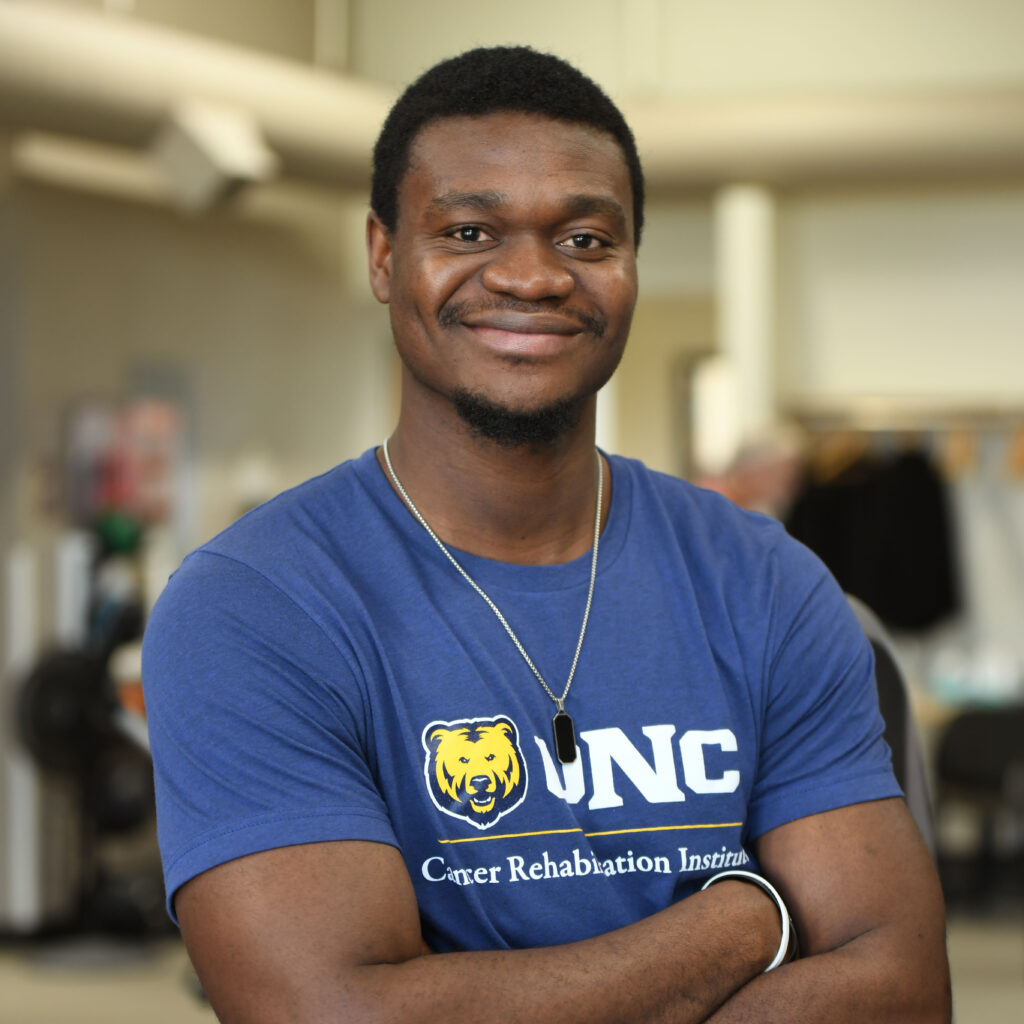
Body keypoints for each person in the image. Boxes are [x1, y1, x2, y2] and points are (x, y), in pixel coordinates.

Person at [142, 46, 951, 1023]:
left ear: (630, 267)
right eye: (470, 228)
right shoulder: (256, 603)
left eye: (584, 239)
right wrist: (745, 919)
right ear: (384, 254)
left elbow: (899, 986)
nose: (530, 276)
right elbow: (332, 1011)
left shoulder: (765, 581)